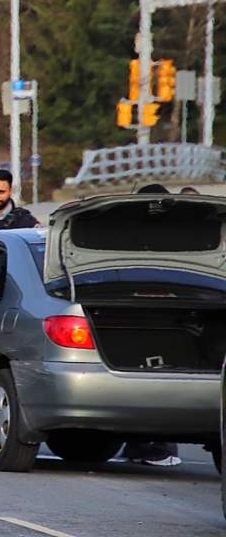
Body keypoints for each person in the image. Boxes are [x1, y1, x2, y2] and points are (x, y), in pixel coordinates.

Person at [119, 182, 182, 468]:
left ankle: (155, 445)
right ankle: (146, 445)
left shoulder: (128, 235)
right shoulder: (182, 235)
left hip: (148, 319)